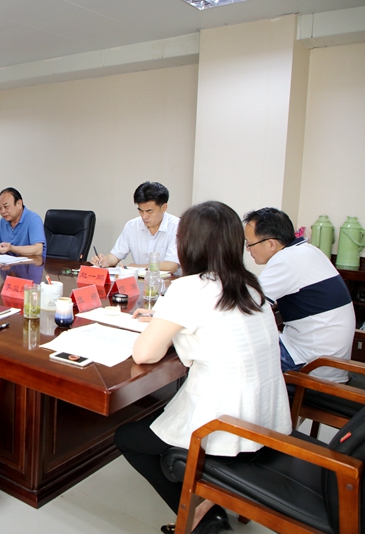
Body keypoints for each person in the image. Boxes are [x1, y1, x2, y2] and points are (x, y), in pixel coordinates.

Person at [115, 201, 291, 534]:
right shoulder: (250, 285)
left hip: (223, 427)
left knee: (128, 437)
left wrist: (165, 322)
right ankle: (209, 505)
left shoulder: (189, 287)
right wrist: (167, 319)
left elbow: (144, 354)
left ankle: (205, 521)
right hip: (265, 421)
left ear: (188, 243)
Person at [243, 207, 355, 383]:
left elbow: (248, 303)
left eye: (249, 244)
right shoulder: (309, 251)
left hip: (312, 364)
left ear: (271, 244)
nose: (248, 250)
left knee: (235, 350)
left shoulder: (284, 260)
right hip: (330, 360)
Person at [90, 182, 180, 273]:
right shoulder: (132, 226)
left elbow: (171, 266)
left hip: (171, 280)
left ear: (164, 207)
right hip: (139, 280)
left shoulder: (177, 226)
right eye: (141, 211)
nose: (144, 216)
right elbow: (115, 255)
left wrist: (138, 267)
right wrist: (105, 261)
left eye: (149, 211)